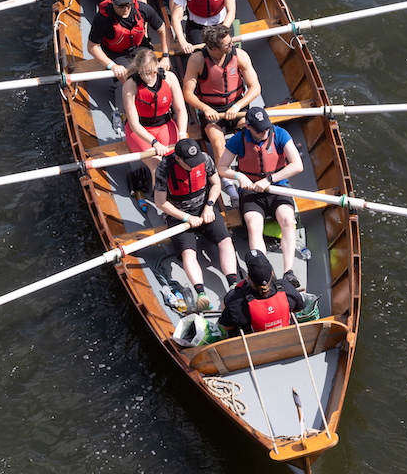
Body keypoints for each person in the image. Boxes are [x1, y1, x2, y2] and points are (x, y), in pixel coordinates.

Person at [217, 107, 305, 289]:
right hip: (250, 192)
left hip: (277, 186)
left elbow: (298, 165)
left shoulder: (280, 134)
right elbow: (222, 167)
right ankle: (265, 272)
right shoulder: (238, 140)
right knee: (254, 225)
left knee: (288, 221)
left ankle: (288, 272)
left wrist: (269, 179)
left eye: (266, 128)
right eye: (259, 130)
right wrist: (239, 176)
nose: (264, 132)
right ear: (248, 127)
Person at [153, 138, 239, 312]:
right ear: (178, 159)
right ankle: (201, 293)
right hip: (179, 216)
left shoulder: (205, 159)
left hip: (204, 208)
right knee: (188, 253)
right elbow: (161, 203)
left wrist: (209, 206)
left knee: (226, 242)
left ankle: (233, 284)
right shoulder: (164, 169)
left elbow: (215, 183)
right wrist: (186, 217)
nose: (194, 166)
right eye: (189, 163)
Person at [182, 23, 260, 201]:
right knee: (217, 143)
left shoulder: (240, 55)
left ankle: (247, 171)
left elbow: (255, 88)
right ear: (213, 48)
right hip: (212, 111)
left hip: (237, 107)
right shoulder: (197, 60)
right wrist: (205, 108)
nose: (232, 45)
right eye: (227, 44)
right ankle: (228, 182)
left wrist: (237, 106)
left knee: (248, 135)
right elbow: (187, 93)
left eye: (230, 41)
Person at [87, 0, 173, 80]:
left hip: (139, 46)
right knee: (131, 79)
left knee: (154, 74)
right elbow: (92, 47)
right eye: (120, 5)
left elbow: (163, 30)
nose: (125, 9)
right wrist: (112, 66)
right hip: (116, 53)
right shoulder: (102, 19)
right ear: (111, 1)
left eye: (128, 4)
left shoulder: (143, 9)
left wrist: (166, 56)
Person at [122, 48, 188, 173]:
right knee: (157, 167)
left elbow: (181, 110)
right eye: (143, 73)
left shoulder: (170, 78)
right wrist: (154, 143)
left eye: (151, 72)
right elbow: (134, 124)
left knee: (178, 161)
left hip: (165, 125)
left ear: (157, 66)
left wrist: (182, 134)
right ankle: (157, 192)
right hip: (141, 130)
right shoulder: (130, 85)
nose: (148, 78)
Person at [218, 249, 304, 335]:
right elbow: (299, 308)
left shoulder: (236, 301)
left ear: (248, 276)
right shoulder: (287, 288)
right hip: (286, 336)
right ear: (272, 273)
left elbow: (226, 326)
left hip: (254, 344)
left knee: (228, 302)